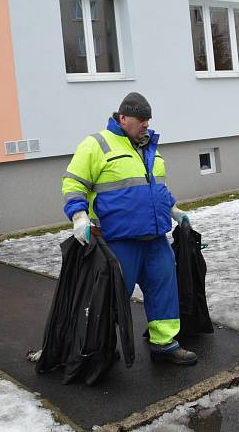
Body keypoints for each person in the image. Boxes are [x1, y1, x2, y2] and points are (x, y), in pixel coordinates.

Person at [61, 92, 197, 365]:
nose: (146, 124)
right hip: (119, 239)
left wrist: (174, 210)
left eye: (148, 119)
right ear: (123, 118)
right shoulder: (97, 145)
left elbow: (156, 188)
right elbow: (74, 184)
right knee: (113, 295)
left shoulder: (150, 148)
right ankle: (103, 345)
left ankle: (164, 342)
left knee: (163, 288)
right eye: (141, 119)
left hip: (156, 237)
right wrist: (79, 216)